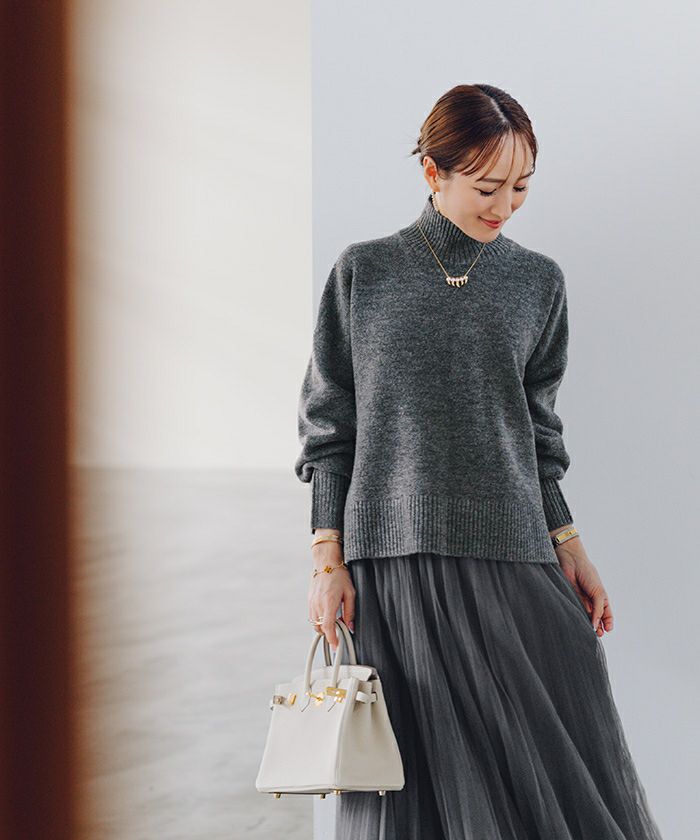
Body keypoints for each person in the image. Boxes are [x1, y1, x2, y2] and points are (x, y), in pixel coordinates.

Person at [294, 83, 664, 840]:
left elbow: (538, 435)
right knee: (421, 788)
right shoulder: (365, 272)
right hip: (393, 566)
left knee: (544, 776)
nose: (506, 206)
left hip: (512, 551)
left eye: (522, 186)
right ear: (433, 172)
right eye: (488, 187)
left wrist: (570, 544)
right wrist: (326, 559)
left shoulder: (537, 282)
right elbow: (330, 427)